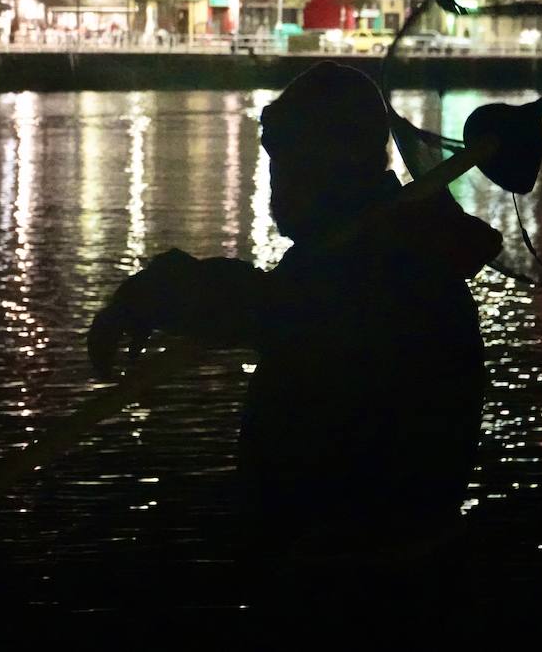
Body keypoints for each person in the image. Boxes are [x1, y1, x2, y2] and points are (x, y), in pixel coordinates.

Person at [87, 62, 502, 633]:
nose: (277, 187)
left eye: (286, 168)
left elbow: (271, 308)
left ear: (325, 166)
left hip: (357, 587)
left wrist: (150, 296)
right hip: (378, 564)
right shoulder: (395, 245)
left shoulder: (383, 264)